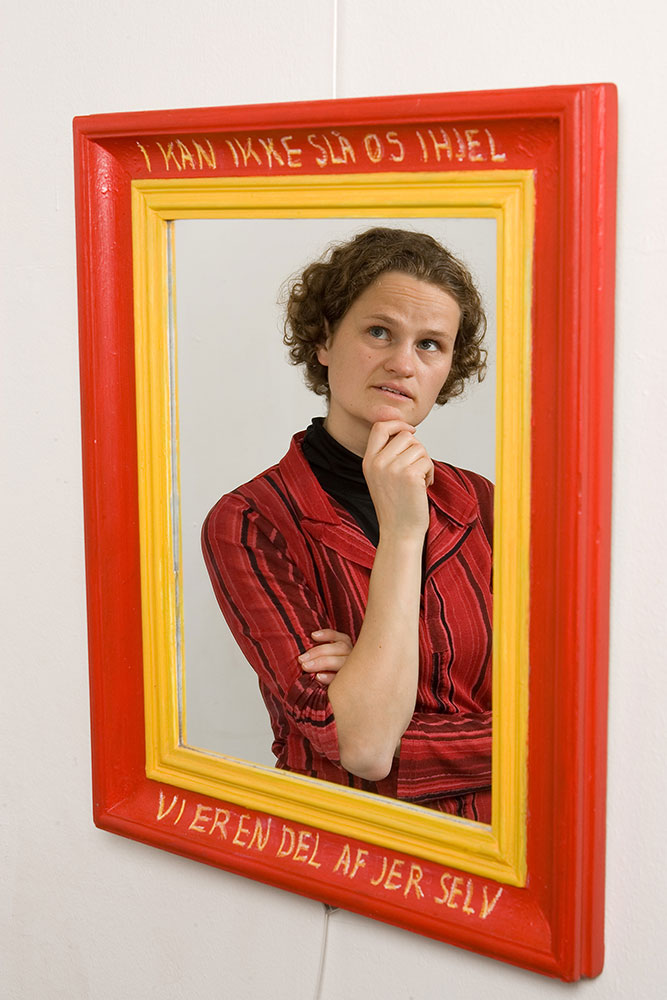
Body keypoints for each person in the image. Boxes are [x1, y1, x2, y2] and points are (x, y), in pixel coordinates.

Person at [202, 227, 493, 823]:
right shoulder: (250, 522)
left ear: (449, 368)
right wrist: (403, 532)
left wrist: (368, 679)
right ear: (325, 339)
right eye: (379, 331)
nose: (402, 364)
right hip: (346, 847)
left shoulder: (483, 503)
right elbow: (362, 747)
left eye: (431, 344)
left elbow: (559, 719)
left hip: (499, 844)